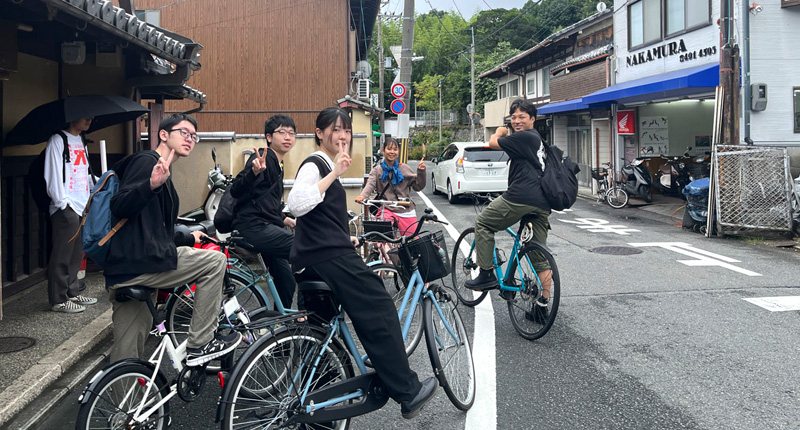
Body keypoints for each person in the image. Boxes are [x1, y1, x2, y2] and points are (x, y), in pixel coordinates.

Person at [287, 107, 438, 419]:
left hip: (313, 259)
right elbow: (297, 204)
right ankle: (407, 391)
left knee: (322, 336)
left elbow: (321, 217)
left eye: (346, 130)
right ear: (319, 133)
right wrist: (334, 174)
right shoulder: (316, 164)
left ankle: (314, 410)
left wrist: (349, 238)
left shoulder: (327, 165)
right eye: (335, 129)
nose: (342, 136)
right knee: (380, 306)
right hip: (325, 258)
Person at [104, 114, 240, 365]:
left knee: (127, 354)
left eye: (193, 136)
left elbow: (152, 227)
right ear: (163, 135)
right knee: (214, 262)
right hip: (140, 263)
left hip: (128, 266)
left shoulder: (162, 168)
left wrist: (186, 236)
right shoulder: (147, 162)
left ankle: (121, 402)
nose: (190, 139)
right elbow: (120, 206)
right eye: (184, 133)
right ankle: (201, 343)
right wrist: (152, 185)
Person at [464, 99, 553, 323]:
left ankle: (485, 274)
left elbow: (493, 144)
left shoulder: (525, 137)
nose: (516, 121)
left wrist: (499, 131)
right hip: (541, 202)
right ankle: (542, 306)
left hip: (521, 196)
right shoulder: (539, 141)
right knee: (538, 254)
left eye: (522, 117)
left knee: (484, 223)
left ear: (533, 119)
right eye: (513, 117)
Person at [229, 115, 297, 308]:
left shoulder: (278, 162)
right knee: (304, 247)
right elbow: (236, 190)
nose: (287, 137)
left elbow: (265, 201)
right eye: (281, 132)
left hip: (267, 226)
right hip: (254, 227)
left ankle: (280, 325)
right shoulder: (263, 157)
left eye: (291, 133)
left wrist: (285, 219)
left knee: (286, 280)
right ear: (269, 137)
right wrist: (253, 173)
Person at [44, 118, 97, 313]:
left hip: (82, 204)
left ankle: (72, 292)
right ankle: (58, 299)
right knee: (62, 254)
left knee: (76, 253)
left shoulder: (82, 140)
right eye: (85, 115)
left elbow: (84, 172)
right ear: (73, 116)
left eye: (91, 116)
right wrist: (62, 204)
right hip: (66, 206)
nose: (89, 119)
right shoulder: (58, 140)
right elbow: (52, 174)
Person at [355, 138, 426, 235]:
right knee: (378, 237)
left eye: (395, 149)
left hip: (405, 209)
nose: (392, 152)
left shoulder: (405, 168)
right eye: (389, 149)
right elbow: (370, 184)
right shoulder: (377, 171)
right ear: (383, 150)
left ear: (398, 151)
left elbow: (418, 187)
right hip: (387, 209)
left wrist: (421, 172)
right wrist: (363, 196)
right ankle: (380, 249)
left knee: (412, 242)